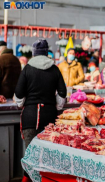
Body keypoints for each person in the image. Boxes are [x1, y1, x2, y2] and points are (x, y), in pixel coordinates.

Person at [14, 39, 66, 182]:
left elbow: (18, 96)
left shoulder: (27, 69)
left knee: (31, 156)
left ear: (34, 53)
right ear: (46, 52)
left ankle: (28, 180)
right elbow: (62, 95)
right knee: (48, 157)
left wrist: (23, 103)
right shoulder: (54, 69)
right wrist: (54, 104)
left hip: (30, 118)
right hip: (50, 118)